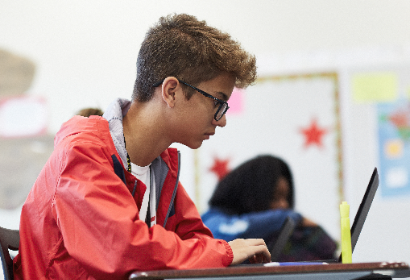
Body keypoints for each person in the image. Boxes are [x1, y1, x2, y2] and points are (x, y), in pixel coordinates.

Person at [13, 14, 270, 280]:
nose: (223, 119)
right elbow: (127, 251)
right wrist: (224, 253)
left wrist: (223, 253)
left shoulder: (159, 166)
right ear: (171, 91)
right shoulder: (82, 152)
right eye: (218, 102)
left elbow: (198, 241)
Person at [202, 155, 337, 262]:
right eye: (275, 197)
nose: (284, 205)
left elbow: (328, 250)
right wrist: (292, 217)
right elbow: (218, 234)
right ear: (250, 194)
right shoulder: (212, 220)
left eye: (286, 198)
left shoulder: (272, 237)